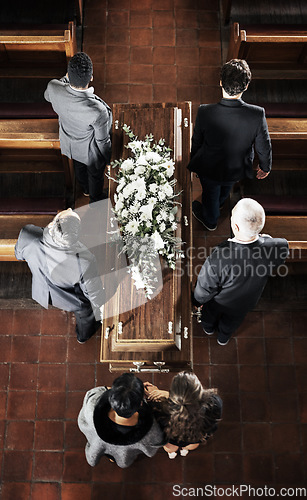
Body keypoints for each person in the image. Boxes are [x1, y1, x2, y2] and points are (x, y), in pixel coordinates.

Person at [188, 59, 272, 230]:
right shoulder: (257, 114)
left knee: (210, 193)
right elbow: (264, 145)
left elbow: (197, 140)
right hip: (237, 167)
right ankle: (220, 202)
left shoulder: (205, 111)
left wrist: (195, 162)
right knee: (226, 186)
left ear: (220, 82)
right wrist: (265, 166)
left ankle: (210, 220)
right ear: (246, 86)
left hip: (210, 167)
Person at [193, 198, 289, 345]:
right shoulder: (277, 246)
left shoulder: (219, 257)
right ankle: (223, 338)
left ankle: (208, 329)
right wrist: (265, 239)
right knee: (231, 322)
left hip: (220, 302)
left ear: (236, 227)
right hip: (246, 302)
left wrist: (197, 300)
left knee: (209, 315)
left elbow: (205, 288)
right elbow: (279, 254)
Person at [14, 208, 105, 343]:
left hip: (42, 290)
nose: (69, 208)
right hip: (69, 298)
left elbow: (18, 254)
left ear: (51, 226)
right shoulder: (85, 261)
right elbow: (92, 294)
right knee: (87, 311)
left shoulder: (28, 235)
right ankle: (83, 336)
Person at [44, 52, 112, 203]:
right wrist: (108, 159)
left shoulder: (53, 87)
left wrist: (65, 80)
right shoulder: (97, 110)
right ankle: (96, 198)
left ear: (68, 74)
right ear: (91, 77)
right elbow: (102, 140)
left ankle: (86, 189)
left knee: (79, 167)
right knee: (95, 175)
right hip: (90, 151)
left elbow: (47, 96)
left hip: (69, 141)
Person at [78, 373, 164, 468]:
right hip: (124, 453)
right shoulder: (150, 429)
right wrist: (135, 393)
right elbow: (156, 442)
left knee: (106, 449)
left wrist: (126, 393)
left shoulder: (92, 405)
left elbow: (98, 391)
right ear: (140, 403)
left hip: (99, 444)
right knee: (120, 456)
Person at [144, 372, 222, 459]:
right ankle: (185, 450)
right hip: (196, 436)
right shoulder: (214, 403)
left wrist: (163, 396)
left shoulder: (160, 410)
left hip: (172, 439)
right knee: (191, 445)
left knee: (170, 448)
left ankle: (172, 453)